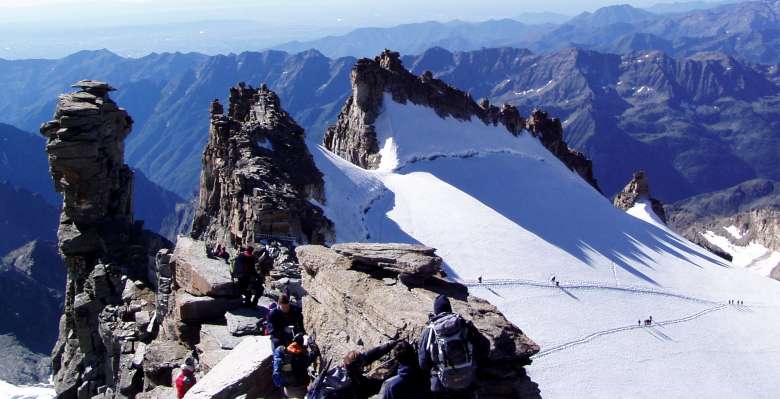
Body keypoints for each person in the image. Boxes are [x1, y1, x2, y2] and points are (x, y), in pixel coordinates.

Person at [418, 295, 489, 399]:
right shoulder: (464, 324)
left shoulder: (430, 331)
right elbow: (484, 347)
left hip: (441, 386)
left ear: (435, 311)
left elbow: (423, 363)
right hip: (467, 381)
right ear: (449, 309)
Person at [309, 340, 399, 399]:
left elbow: (368, 356)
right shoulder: (354, 385)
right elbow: (381, 382)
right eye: (362, 365)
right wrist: (399, 363)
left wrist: (389, 345)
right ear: (358, 367)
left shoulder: (340, 369)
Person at [273, 333, 320, 399]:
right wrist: (311, 342)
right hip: (300, 391)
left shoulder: (282, 353)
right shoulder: (301, 358)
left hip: (287, 391)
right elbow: (315, 352)